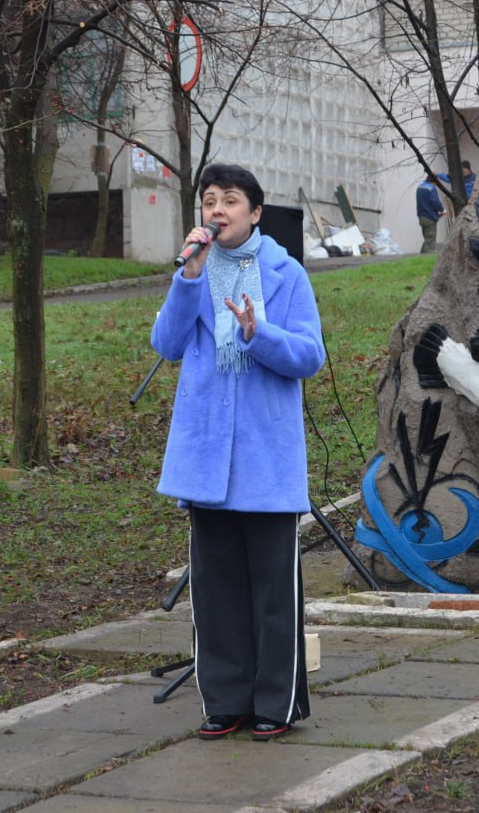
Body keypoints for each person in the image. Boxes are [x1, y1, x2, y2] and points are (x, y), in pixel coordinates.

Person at [151, 163, 326, 743]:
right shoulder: (194, 273)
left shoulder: (286, 274)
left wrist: (259, 334)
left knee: (274, 591)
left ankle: (275, 702)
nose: (216, 210)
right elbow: (167, 345)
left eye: (229, 200)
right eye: (208, 201)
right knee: (217, 588)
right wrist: (188, 280)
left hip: (265, 457)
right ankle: (225, 700)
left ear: (254, 212)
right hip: (207, 458)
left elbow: (309, 357)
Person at [416, 176, 444, 254]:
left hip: (421, 216)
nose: (436, 185)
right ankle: (426, 256)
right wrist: (441, 209)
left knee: (427, 238)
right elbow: (435, 201)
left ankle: (422, 258)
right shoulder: (431, 188)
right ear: (434, 181)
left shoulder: (420, 187)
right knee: (430, 240)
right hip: (429, 216)